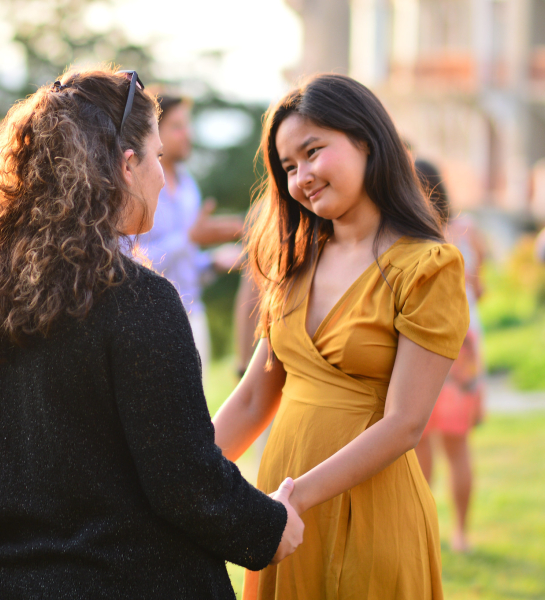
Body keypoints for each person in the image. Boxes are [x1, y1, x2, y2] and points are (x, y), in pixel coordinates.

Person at [0, 66, 304, 599]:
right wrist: (272, 525)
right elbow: (183, 480)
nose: (164, 177)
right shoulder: (137, 300)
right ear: (126, 164)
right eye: (158, 158)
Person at [213, 74, 470, 600]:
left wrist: (293, 499)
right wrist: (180, 477)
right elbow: (254, 398)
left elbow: (404, 424)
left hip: (367, 510)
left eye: (313, 152)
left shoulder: (427, 266)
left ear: (365, 140)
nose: (302, 176)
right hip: (282, 511)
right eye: (288, 167)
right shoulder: (294, 262)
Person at [134, 93, 243, 376]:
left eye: (188, 125)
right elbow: (128, 262)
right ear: (152, 131)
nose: (188, 134)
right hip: (149, 324)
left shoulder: (188, 187)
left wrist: (214, 263)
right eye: (177, 126)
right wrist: (189, 238)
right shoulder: (133, 185)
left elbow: (185, 268)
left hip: (193, 318)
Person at [414, 159, 486, 553]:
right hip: (467, 343)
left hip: (428, 344)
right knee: (457, 447)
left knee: (419, 441)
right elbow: (481, 290)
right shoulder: (467, 232)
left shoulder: (414, 236)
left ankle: (429, 534)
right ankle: (461, 534)